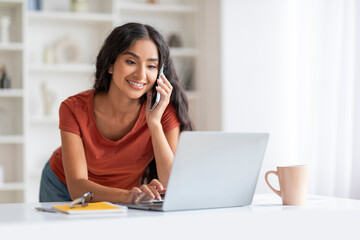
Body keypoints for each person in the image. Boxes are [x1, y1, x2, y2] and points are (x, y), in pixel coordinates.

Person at [39, 22, 194, 203]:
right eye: (130, 62)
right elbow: (77, 188)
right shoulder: (73, 108)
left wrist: (154, 123)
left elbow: (171, 183)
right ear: (110, 64)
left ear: (160, 73)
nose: (141, 75)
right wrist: (129, 196)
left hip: (124, 194)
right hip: (61, 186)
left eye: (151, 66)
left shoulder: (163, 112)